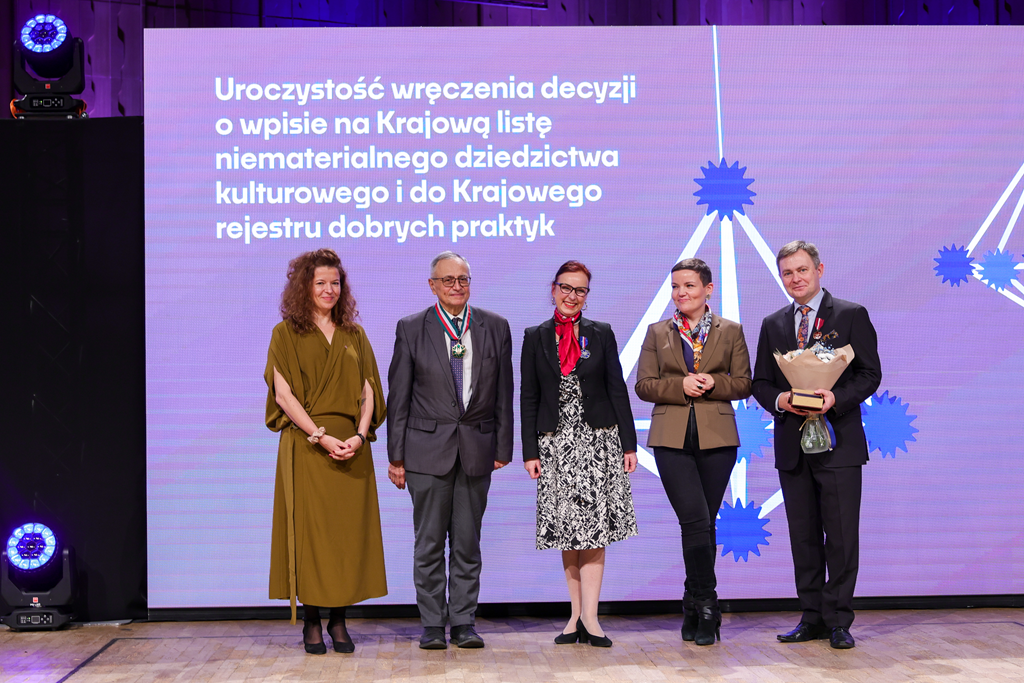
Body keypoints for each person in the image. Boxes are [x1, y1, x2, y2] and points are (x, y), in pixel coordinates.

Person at [751, 240, 881, 650]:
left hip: (839, 443)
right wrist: (781, 400)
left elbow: (870, 374)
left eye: (802, 270)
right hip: (793, 444)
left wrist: (835, 398)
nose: (795, 279)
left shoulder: (850, 314)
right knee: (803, 536)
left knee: (840, 536)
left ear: (819, 270)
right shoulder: (773, 323)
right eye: (787, 273)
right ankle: (811, 617)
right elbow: (760, 382)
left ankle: (839, 620)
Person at [386, 251, 514, 650]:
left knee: (467, 543)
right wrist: (395, 457)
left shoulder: (495, 326)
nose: (456, 287)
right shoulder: (411, 328)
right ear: (432, 285)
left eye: (463, 279)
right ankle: (431, 624)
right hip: (424, 452)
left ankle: (463, 622)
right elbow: (398, 397)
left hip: (477, 450)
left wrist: (503, 447)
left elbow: (504, 392)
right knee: (428, 544)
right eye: (448, 280)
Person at [264, 248, 387, 655]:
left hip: (351, 447)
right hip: (308, 448)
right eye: (320, 283)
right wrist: (319, 436)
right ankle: (313, 620)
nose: (329, 289)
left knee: (345, 537)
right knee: (311, 536)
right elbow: (284, 395)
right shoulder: (285, 333)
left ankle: (339, 620)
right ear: (305, 286)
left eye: (335, 283)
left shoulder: (355, 334)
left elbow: (369, 390)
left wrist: (360, 436)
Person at [521, 260, 639, 648]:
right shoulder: (535, 336)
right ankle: (574, 615)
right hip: (555, 444)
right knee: (567, 530)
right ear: (553, 289)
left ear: (587, 296)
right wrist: (530, 451)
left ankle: (592, 616)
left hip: (598, 441)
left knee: (594, 530)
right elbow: (529, 396)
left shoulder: (600, 333)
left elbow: (616, 388)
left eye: (581, 290)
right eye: (566, 288)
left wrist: (629, 444)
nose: (572, 296)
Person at [635, 258, 752, 646]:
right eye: (675, 286)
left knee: (704, 522)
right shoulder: (658, 332)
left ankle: (692, 602)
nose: (680, 293)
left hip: (718, 438)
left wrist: (713, 382)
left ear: (708, 289)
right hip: (670, 439)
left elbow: (744, 383)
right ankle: (707, 605)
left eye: (688, 285)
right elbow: (644, 385)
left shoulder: (730, 331)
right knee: (695, 520)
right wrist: (679, 386)